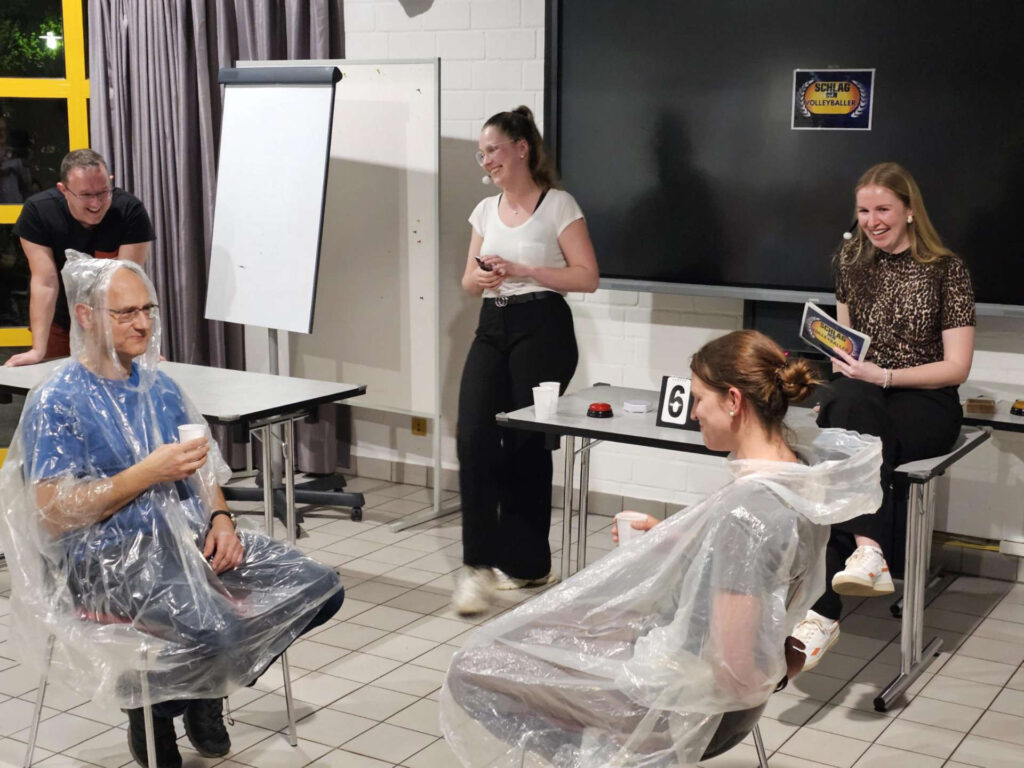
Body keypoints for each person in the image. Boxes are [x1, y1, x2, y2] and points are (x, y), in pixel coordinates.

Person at [440, 330, 883, 767]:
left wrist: (785, 668)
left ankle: (608, 755)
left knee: (472, 669)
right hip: (706, 686)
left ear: (733, 400)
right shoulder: (798, 474)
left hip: (688, 712)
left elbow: (734, 674)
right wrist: (680, 540)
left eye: (699, 399)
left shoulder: (747, 515)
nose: (693, 414)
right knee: (544, 629)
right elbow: (754, 572)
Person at [0, 254, 344, 768]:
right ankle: (165, 707)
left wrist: (221, 521)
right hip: (100, 558)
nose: (142, 323)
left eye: (148, 309)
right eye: (125, 313)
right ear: (87, 315)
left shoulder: (158, 387)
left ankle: (194, 684)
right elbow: (53, 514)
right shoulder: (58, 401)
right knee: (215, 626)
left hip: (185, 537)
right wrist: (148, 471)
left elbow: (206, 476)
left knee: (318, 586)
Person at [792, 162, 976, 669]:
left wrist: (887, 376)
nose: (872, 220)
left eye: (883, 210)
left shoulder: (946, 269)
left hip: (926, 398)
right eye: (864, 210)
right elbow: (849, 351)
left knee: (850, 443)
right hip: (867, 396)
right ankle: (870, 550)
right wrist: (844, 361)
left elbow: (956, 367)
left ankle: (822, 612)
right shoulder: (851, 263)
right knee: (848, 410)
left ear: (909, 211)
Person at [453, 106, 599, 615]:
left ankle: (529, 564)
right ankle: (478, 567)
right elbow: (468, 283)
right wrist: (487, 278)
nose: (486, 158)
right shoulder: (483, 210)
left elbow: (586, 277)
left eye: (493, 148)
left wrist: (526, 270)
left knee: (524, 447)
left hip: (544, 327)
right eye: (482, 151)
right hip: (493, 325)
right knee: (472, 437)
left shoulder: (558, 205)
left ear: (522, 148)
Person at [5, 148, 155, 367]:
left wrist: (137, 348)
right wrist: (38, 350)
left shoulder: (130, 211)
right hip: (59, 321)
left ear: (110, 181)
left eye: (103, 192)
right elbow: (45, 283)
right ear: (63, 189)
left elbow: (127, 286)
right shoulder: (39, 212)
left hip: (113, 322)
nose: (96, 203)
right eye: (85, 195)